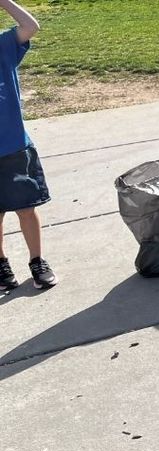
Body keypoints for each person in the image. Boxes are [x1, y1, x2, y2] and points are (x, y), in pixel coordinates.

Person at [0, 0, 56, 292]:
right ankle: (1, 266)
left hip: (13, 147)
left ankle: (37, 261)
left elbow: (31, 26)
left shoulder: (3, 46)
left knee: (26, 207)